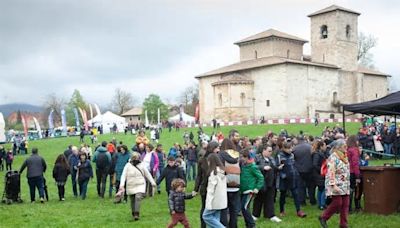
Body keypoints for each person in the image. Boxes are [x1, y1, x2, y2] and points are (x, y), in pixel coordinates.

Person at [319, 139, 351, 228]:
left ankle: (343, 224)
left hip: (345, 184)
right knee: (338, 203)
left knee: (345, 204)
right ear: (338, 147)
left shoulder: (344, 156)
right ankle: (323, 217)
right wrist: (333, 185)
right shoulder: (333, 157)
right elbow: (331, 172)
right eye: (344, 146)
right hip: (335, 184)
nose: (346, 147)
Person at [119, 152, 156, 221]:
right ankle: (133, 213)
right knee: (132, 200)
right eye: (134, 158)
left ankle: (136, 214)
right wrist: (122, 185)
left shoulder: (142, 165)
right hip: (131, 185)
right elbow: (123, 175)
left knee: (138, 197)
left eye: (137, 158)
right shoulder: (127, 165)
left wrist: (152, 182)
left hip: (140, 184)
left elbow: (147, 174)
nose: (136, 159)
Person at [277, 141, 306, 218]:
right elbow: (277, 167)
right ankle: (282, 210)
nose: (290, 150)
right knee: (283, 195)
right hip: (284, 179)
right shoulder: (280, 156)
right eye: (288, 148)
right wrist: (282, 174)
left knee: (296, 194)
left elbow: (293, 165)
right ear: (284, 148)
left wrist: (296, 173)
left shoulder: (292, 155)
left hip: (293, 177)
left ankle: (299, 210)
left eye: (291, 148)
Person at [253, 145, 282, 222]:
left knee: (270, 199)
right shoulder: (257, 157)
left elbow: (274, 167)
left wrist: (278, 168)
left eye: (271, 151)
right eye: (269, 151)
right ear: (263, 150)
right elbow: (253, 167)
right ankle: (255, 215)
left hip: (271, 181)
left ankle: (270, 215)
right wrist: (263, 167)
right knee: (259, 198)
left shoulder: (271, 158)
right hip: (261, 181)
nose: (270, 153)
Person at [195, 141, 220, 228]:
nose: (218, 150)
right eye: (217, 148)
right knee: (204, 208)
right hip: (205, 187)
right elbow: (199, 176)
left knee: (214, 209)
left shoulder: (218, 158)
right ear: (212, 149)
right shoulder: (202, 160)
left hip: (215, 187)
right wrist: (196, 189)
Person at [218, 139, 241, 228]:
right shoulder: (237, 155)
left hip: (225, 185)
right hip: (236, 185)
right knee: (234, 210)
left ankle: (224, 226)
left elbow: (220, 169)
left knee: (223, 209)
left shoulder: (221, 155)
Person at [240, 149, 264, 228]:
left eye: (242, 157)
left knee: (244, 207)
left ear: (246, 157)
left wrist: (257, 188)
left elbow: (260, 177)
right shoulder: (243, 166)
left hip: (249, 190)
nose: (241, 159)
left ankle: (252, 224)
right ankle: (248, 225)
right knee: (243, 208)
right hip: (242, 190)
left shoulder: (253, 167)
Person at [202, 153, 227, 228]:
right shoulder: (222, 171)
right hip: (221, 200)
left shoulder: (214, 174)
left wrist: (208, 203)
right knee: (215, 218)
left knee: (206, 216)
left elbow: (211, 190)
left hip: (214, 200)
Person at [292, 136, 315, 206]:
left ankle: (302, 201)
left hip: (299, 170)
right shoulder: (310, 147)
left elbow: (293, 159)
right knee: (311, 186)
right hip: (309, 169)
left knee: (301, 186)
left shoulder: (295, 148)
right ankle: (312, 200)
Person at [346, 135, 361, 213]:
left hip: (348, 171)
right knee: (354, 190)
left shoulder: (348, 149)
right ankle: (354, 207)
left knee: (349, 190)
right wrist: (357, 175)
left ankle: (348, 207)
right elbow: (355, 163)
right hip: (353, 172)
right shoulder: (354, 150)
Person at [312, 140, 327, 210]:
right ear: (321, 146)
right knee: (323, 188)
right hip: (319, 174)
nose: (326, 147)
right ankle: (322, 204)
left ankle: (320, 203)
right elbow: (315, 164)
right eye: (324, 145)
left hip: (318, 174)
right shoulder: (317, 154)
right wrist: (322, 170)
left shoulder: (318, 153)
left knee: (320, 188)